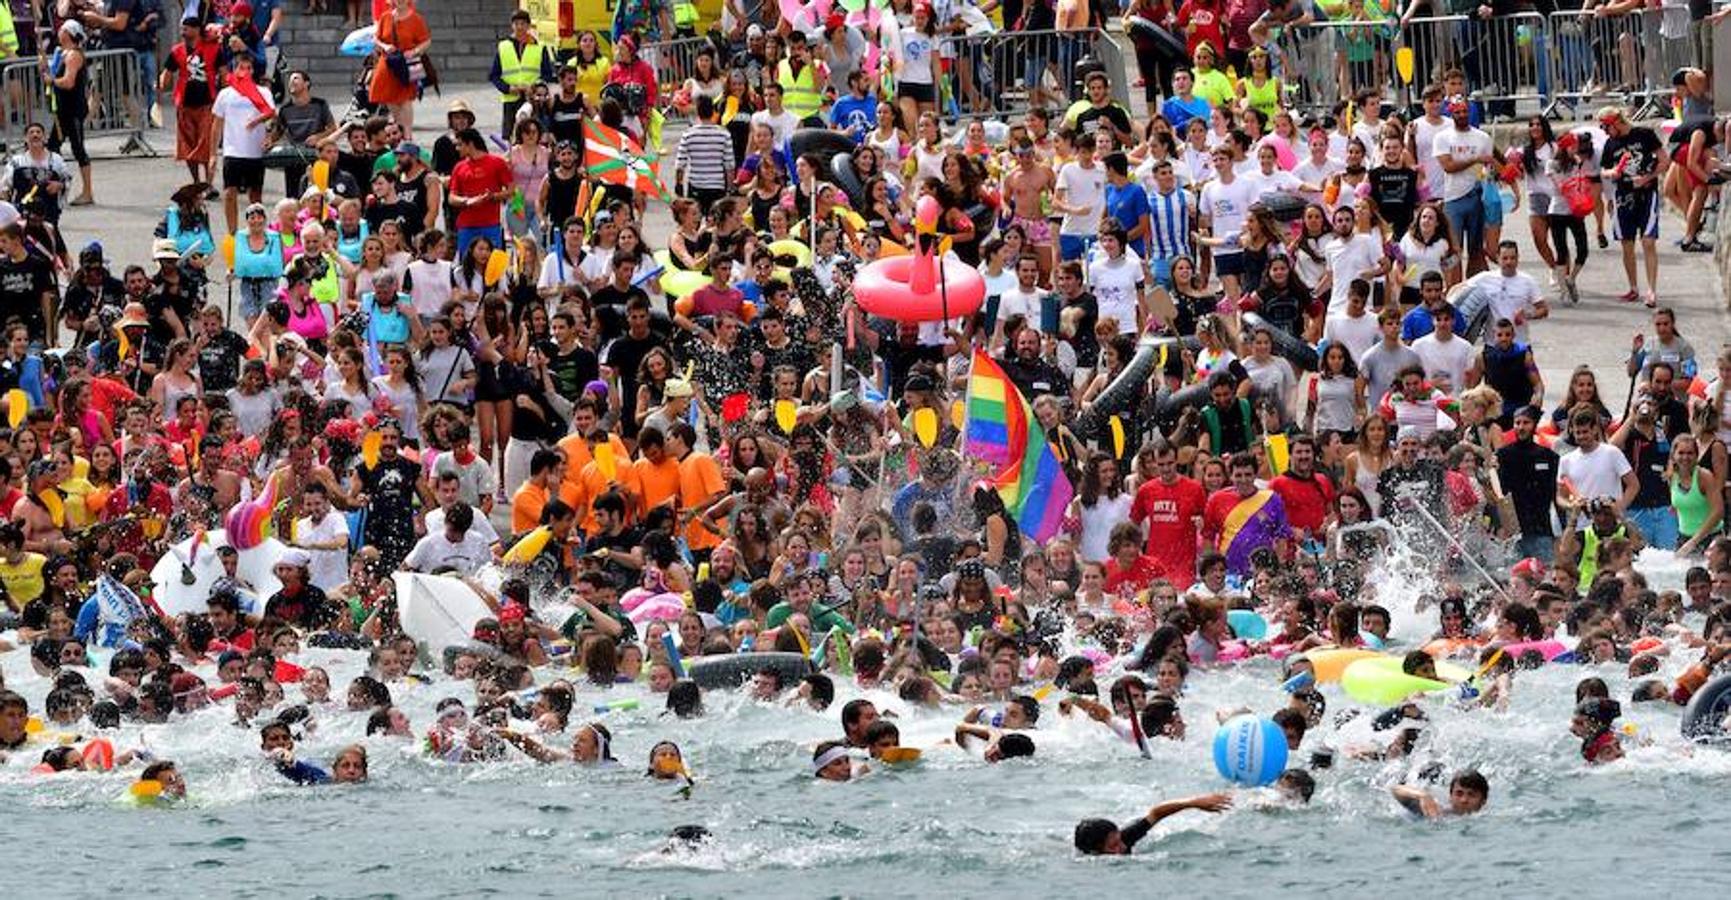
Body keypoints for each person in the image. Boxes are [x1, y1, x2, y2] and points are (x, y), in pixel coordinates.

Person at [1598, 106, 1665, 307]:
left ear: (1616, 122)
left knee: (1648, 241)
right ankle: (1633, 288)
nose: (1604, 131)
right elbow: (1604, 170)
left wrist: (1647, 178)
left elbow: (1664, 160)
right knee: (1627, 244)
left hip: (1646, 194)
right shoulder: (1610, 144)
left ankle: (1651, 290)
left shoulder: (1644, 135)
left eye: (1605, 126)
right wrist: (1612, 173)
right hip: (1623, 196)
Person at [1073, 793, 1232, 855]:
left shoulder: (1126, 838)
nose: (1121, 847)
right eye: (1113, 846)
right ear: (1096, 851)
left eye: (1119, 840)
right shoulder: (1091, 861)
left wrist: (1193, 803)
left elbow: (1156, 813)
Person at [370, 0, 432, 134]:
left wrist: (414, 51)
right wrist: (385, 46)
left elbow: (426, 41)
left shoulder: (416, 19)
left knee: (405, 99)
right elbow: (376, 39)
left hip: (407, 63)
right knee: (389, 97)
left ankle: (407, 134)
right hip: (388, 63)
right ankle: (399, 129)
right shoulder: (385, 17)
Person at [1391, 770, 1489, 819]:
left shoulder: (1488, 819)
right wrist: (1423, 796)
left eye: (1471, 795)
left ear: (1483, 801)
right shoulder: (1435, 811)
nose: (1464, 800)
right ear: (1450, 796)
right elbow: (1395, 789)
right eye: (1459, 794)